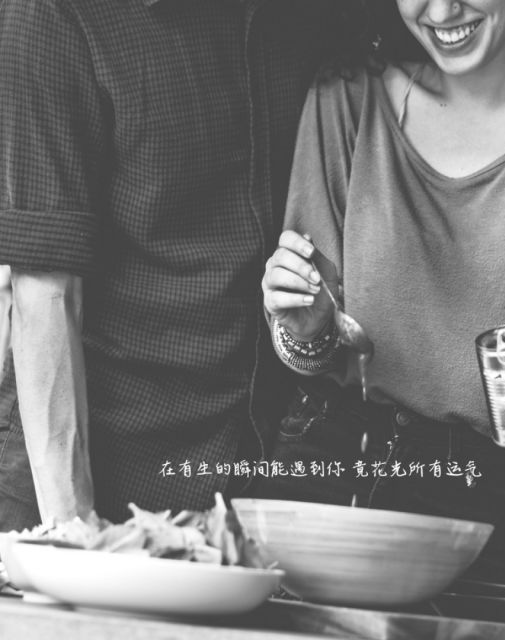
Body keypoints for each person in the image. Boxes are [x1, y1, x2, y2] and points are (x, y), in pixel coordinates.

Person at [260, 0, 505, 585]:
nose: (441, 10)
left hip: (487, 484)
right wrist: (305, 329)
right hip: (326, 460)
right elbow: (315, 349)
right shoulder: (346, 94)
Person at [0, 0, 353, 530]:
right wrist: (74, 528)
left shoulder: (312, 15)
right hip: (89, 482)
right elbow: (46, 293)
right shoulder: (52, 12)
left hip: (256, 479)